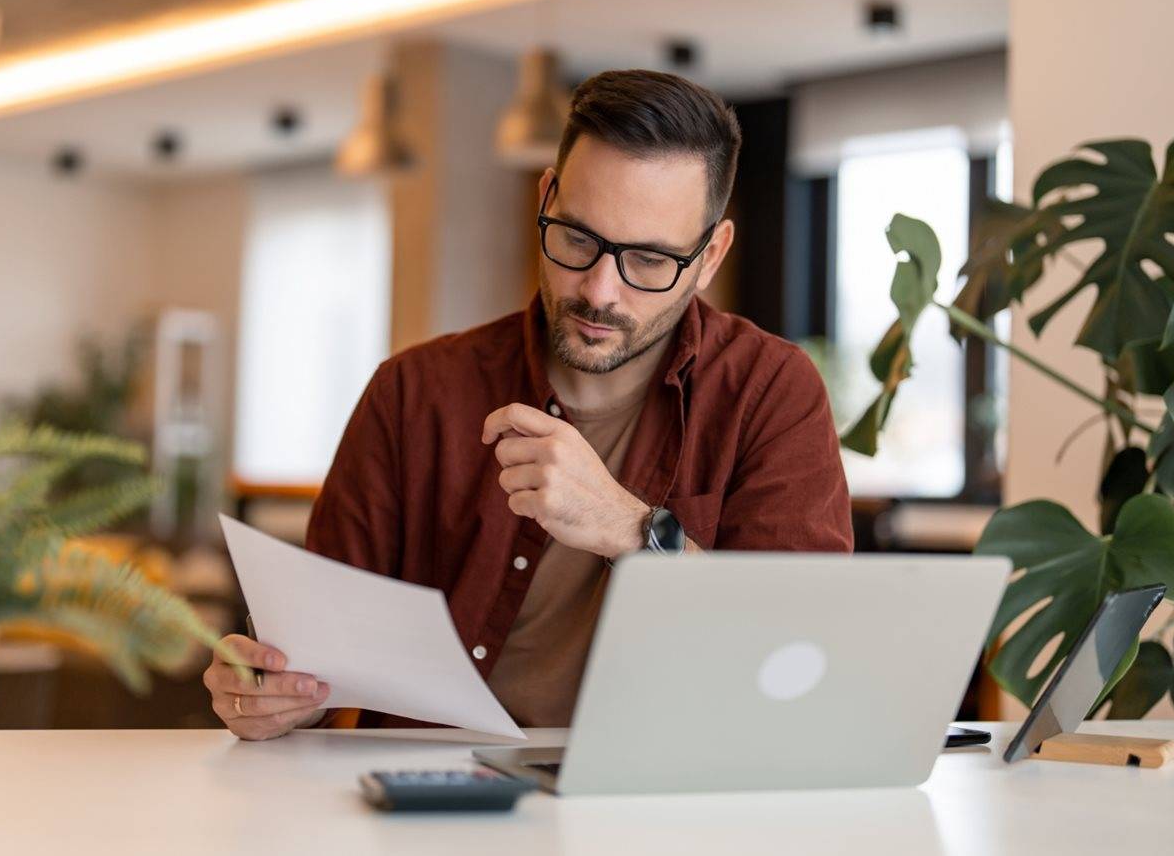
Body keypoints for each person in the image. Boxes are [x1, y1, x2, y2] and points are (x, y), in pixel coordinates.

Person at [203, 69, 853, 740]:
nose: (600, 290)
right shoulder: (413, 394)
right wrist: (276, 694)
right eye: (577, 238)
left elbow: (798, 656)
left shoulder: (771, 392)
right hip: (428, 804)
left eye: (650, 260)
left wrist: (629, 529)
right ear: (546, 197)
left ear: (710, 254)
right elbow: (316, 652)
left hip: (658, 797)